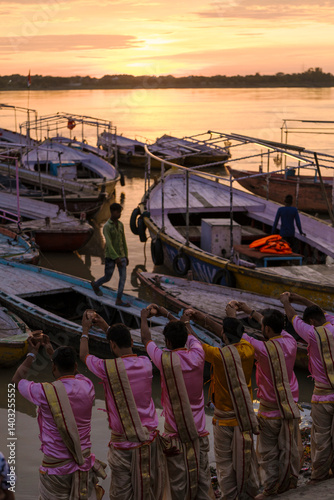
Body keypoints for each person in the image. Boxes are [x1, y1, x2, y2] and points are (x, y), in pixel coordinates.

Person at [80, 312, 164, 500]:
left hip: (123, 446)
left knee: (121, 495)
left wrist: (85, 330)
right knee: (147, 491)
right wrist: (106, 327)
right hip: (148, 441)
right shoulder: (146, 364)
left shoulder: (107, 368)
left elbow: (84, 355)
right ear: (132, 343)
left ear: (112, 345)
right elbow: (121, 342)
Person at [13, 336, 106, 500]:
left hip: (56, 469)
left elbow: (16, 381)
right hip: (83, 464)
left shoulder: (43, 392)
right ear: (76, 366)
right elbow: (74, 373)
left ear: (53, 367)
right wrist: (52, 353)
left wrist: (32, 354)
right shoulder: (87, 386)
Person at [185, 306, 259, 500]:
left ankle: (230, 496)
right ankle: (248, 493)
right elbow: (231, 334)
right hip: (245, 417)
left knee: (225, 463)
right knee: (246, 458)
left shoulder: (219, 356)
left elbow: (196, 344)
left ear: (224, 336)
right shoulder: (249, 349)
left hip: (225, 420)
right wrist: (208, 318)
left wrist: (187, 324)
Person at [141, 304, 213, 500]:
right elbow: (191, 336)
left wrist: (143, 317)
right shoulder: (198, 354)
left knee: (178, 485)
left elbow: (146, 339)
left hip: (175, 433)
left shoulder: (164, 360)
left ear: (167, 342)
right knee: (202, 479)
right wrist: (169, 314)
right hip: (199, 431)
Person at [234, 302, 301, 498]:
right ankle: (289, 482)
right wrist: (249, 311)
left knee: (268, 452)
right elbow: (271, 325)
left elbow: (237, 334)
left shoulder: (262, 348)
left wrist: (231, 315)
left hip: (270, 411)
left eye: (263, 326)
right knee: (289, 448)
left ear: (267, 329)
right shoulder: (291, 341)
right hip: (290, 407)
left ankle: (271, 489)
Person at [279, 291, 334, 483]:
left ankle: (319, 475)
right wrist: (300, 298)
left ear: (311, 321)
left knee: (321, 438)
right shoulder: (333, 322)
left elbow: (292, 317)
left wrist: (286, 301)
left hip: (323, 396)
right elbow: (321, 312)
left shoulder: (311, 333)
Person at [91, 202, 129, 306]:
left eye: (120, 212)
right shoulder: (107, 227)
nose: (120, 214)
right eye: (118, 212)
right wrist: (116, 258)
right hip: (110, 257)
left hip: (121, 256)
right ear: (112, 212)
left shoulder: (120, 225)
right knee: (108, 277)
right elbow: (109, 243)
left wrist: (126, 255)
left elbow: (123, 241)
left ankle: (119, 299)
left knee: (123, 278)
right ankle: (95, 284)